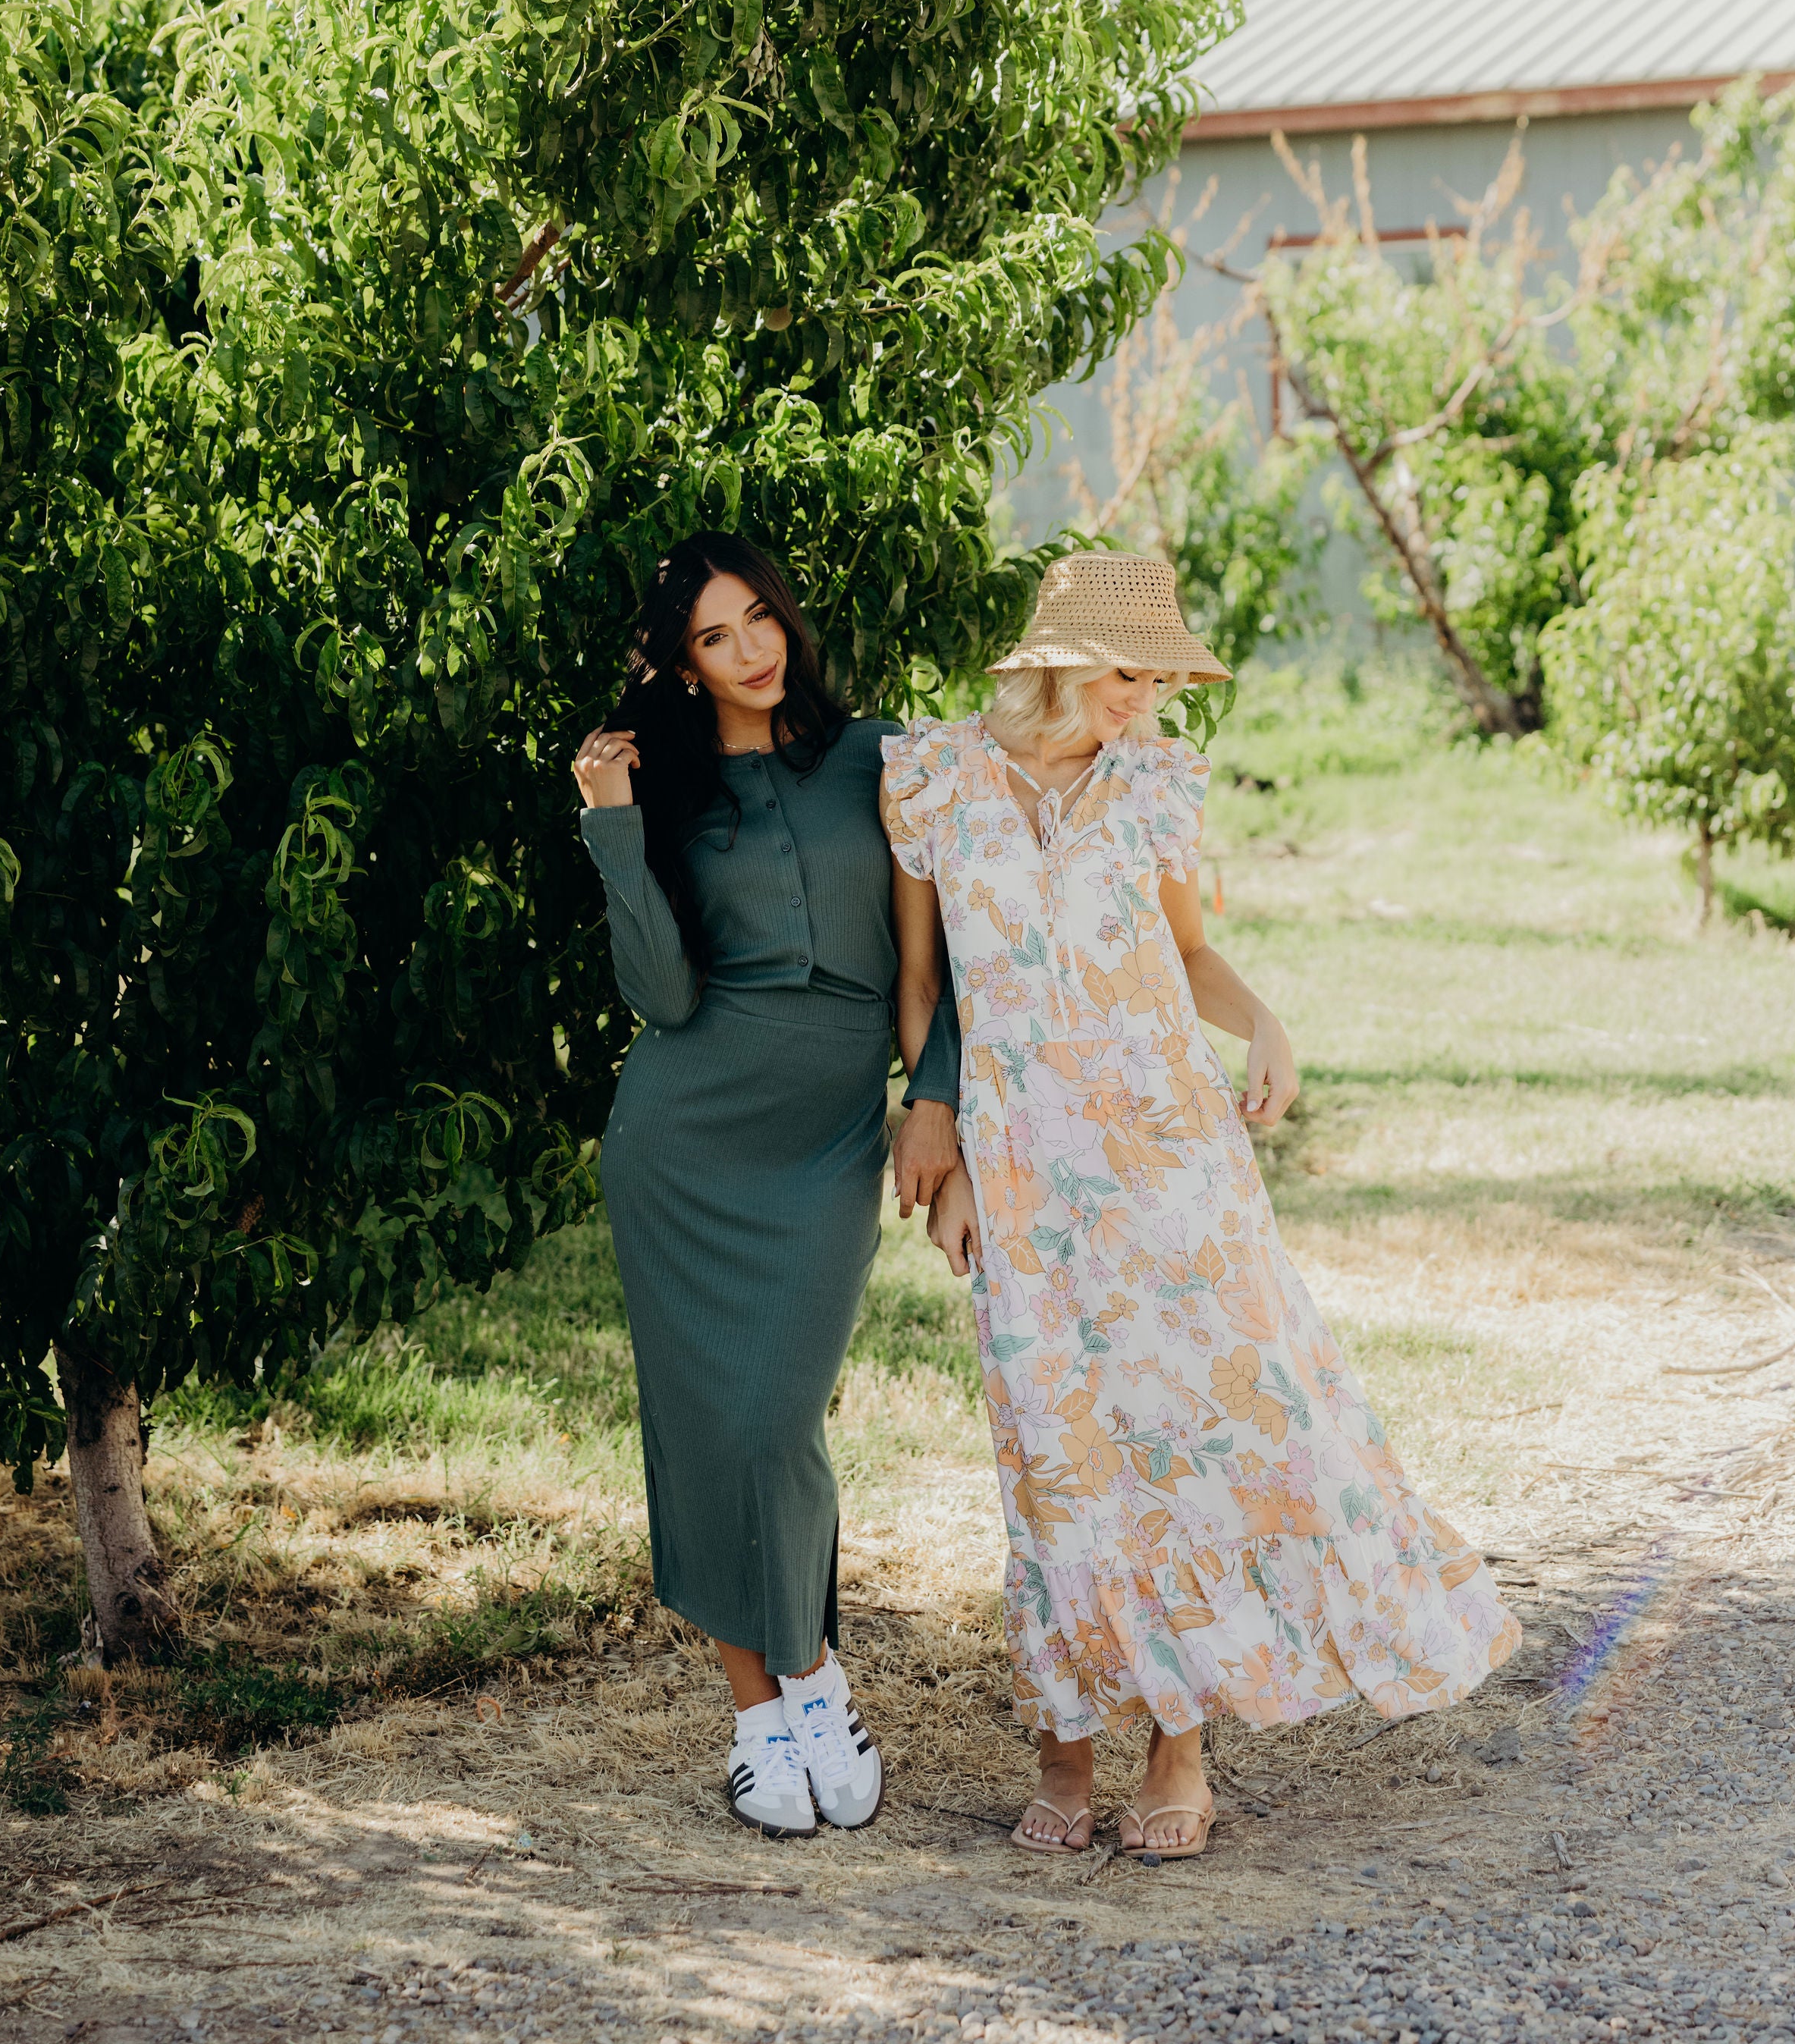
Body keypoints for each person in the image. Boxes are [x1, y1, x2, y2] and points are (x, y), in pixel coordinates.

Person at [880, 554, 1521, 1859]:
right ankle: (1066, 1754)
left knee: (1198, 1442)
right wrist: (938, 1149)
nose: (1144, 700)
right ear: (1058, 660)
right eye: (1128, 674)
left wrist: (1265, 1020)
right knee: (1054, 1462)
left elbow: (1187, 953)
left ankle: (1180, 1748)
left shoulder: (1157, 784)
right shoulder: (932, 778)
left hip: (1176, 1171)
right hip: (1025, 1172)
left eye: (1159, 679)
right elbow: (923, 987)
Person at [573, 533, 961, 1839]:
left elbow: (958, 957)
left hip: (828, 1138)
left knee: (776, 1419)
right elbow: (664, 996)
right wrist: (615, 836)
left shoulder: (884, 758)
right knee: (705, 1427)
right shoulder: (676, 798)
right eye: (715, 639)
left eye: (760, 620)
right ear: (683, 669)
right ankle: (773, 1713)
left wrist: (936, 1103)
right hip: (686, 1133)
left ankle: (809, 1673)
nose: (752, 651)